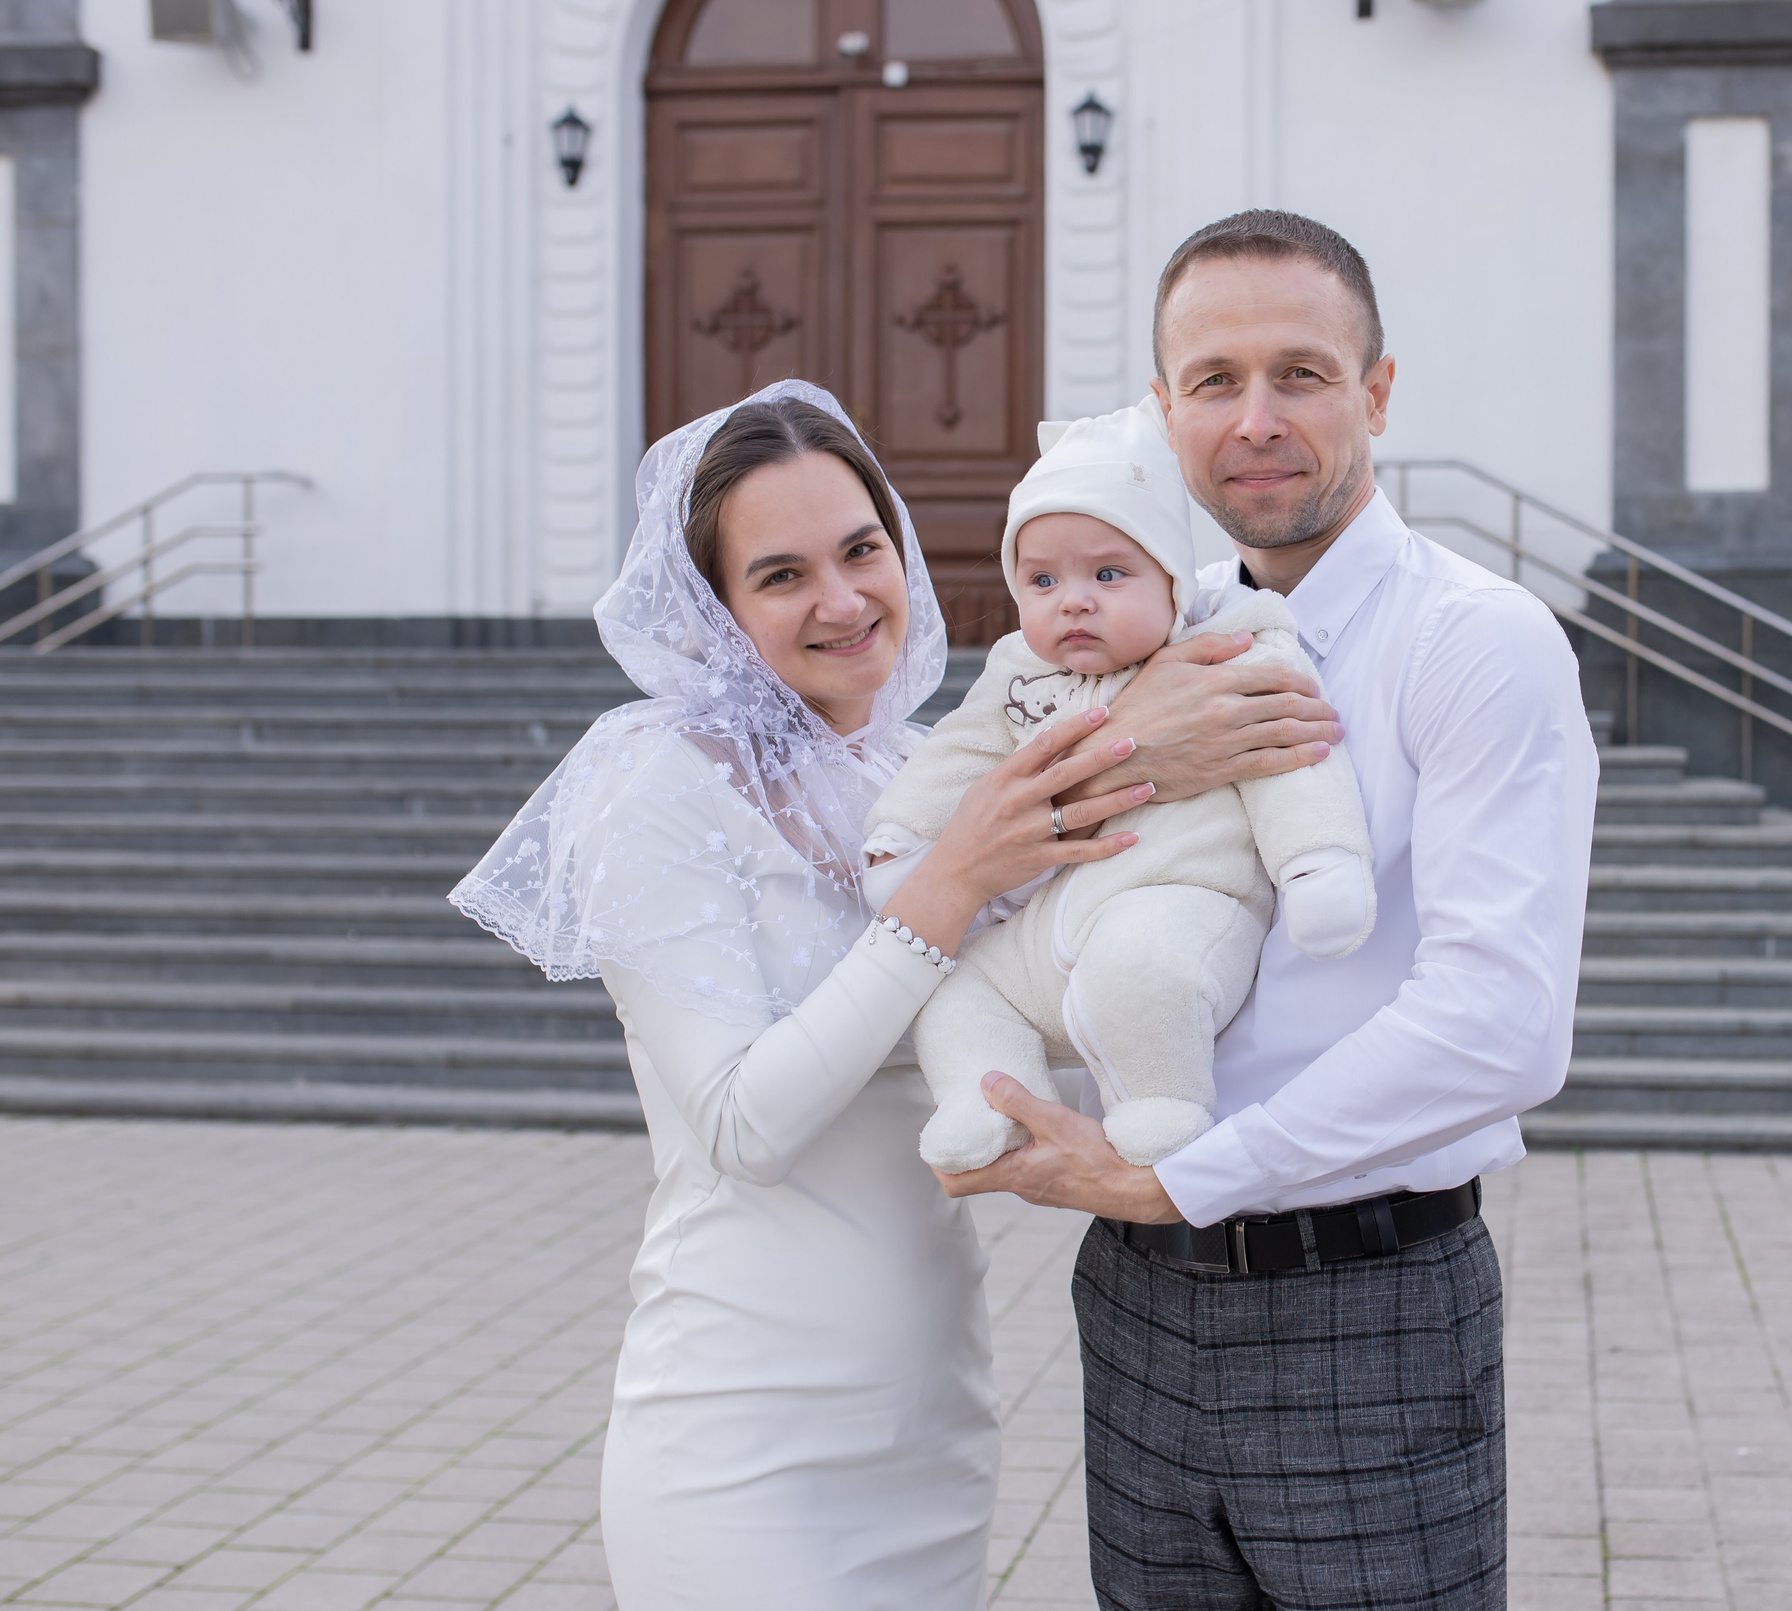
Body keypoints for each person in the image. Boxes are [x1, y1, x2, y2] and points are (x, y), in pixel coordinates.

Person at [447, 378, 1340, 1611]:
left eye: (862, 549)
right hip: (745, 1430)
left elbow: (1055, 1003)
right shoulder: (655, 788)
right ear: (710, 606)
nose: (845, 599)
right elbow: (740, 1128)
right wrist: (959, 875)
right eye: (780, 575)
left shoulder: (922, 766)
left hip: (934, 1407)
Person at [940, 212, 1600, 1608]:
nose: (1256, 419)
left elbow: (1503, 1024)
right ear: (1163, 409)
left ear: (1377, 390)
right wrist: (1130, 751)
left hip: (1365, 1306)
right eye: (1213, 379)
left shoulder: (1475, 639)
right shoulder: (1123, 628)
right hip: (1133, 1296)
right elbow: (969, 850)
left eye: (1301, 372)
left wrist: (1185, 1176)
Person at [864, 398, 1374, 1174]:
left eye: (1108, 573)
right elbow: (957, 755)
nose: (1073, 599)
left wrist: (1319, 860)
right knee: (954, 986)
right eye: (1041, 579)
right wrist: (902, 837)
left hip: (1177, 898)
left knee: (1142, 966)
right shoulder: (1018, 673)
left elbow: (1294, 752)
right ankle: (987, 1100)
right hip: (1045, 939)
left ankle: (1159, 1101)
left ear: (1172, 580)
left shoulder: (1229, 648)